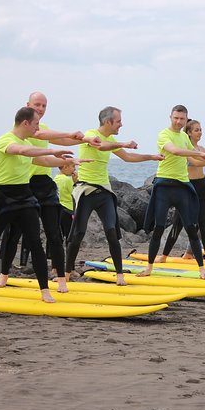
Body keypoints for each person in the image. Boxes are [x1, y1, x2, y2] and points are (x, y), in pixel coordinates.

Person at [0, 92, 98, 292]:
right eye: (37, 105)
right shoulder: (23, 130)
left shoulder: (45, 129)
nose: (40, 109)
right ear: (28, 105)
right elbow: (40, 136)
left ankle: (60, 279)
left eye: (44, 106)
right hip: (24, 185)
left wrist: (84, 141)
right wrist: (71, 134)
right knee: (13, 234)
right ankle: (3, 276)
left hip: (44, 185)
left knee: (54, 234)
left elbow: (62, 142)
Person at [0, 107, 75, 303]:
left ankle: (45, 291)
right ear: (25, 123)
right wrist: (53, 149)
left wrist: (67, 160)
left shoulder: (27, 142)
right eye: (36, 124)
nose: (38, 128)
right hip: (1, 198)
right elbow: (21, 150)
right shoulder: (7, 140)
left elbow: (42, 159)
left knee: (35, 243)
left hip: (24, 197)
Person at [65, 106, 164, 285]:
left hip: (104, 192)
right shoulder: (91, 134)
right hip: (86, 191)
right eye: (118, 121)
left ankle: (119, 276)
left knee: (112, 231)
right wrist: (123, 143)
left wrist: (151, 156)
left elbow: (128, 157)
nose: (121, 124)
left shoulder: (110, 139)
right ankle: (66, 273)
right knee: (78, 233)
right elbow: (102, 146)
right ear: (107, 121)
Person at [138, 105, 205, 279]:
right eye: (175, 118)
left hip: (182, 187)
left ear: (185, 119)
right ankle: (149, 267)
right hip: (164, 186)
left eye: (181, 118)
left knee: (190, 227)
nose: (178, 121)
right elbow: (175, 151)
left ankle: (202, 270)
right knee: (159, 228)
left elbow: (196, 160)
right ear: (170, 117)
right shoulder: (164, 135)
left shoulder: (183, 136)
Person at [156, 119, 205, 265]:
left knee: (203, 223)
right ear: (189, 133)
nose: (200, 132)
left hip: (201, 187)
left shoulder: (201, 148)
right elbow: (196, 163)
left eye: (200, 129)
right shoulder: (186, 149)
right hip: (188, 187)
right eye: (196, 130)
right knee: (178, 224)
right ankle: (164, 255)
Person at [53, 163, 77, 240]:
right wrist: (75, 182)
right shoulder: (67, 180)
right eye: (73, 166)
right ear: (65, 167)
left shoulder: (55, 178)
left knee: (59, 235)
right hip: (68, 210)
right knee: (70, 237)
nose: (75, 169)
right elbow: (75, 193)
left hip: (58, 209)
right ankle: (69, 252)